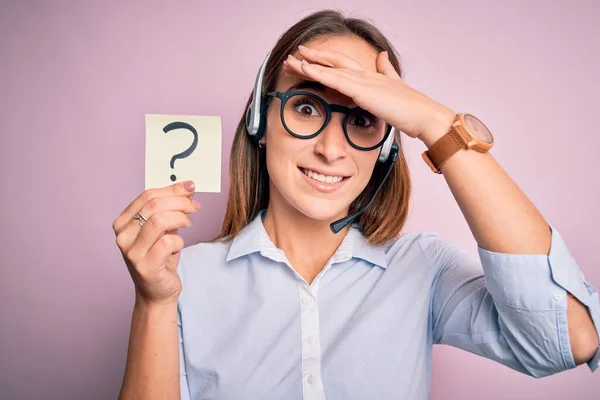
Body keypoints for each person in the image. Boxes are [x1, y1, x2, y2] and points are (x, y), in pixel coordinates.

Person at [114, 9, 600, 400]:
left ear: (386, 145)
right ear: (261, 122)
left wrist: (434, 121)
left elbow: (567, 339)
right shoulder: (185, 279)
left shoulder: (421, 269)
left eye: (364, 119)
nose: (331, 149)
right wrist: (154, 303)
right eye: (306, 108)